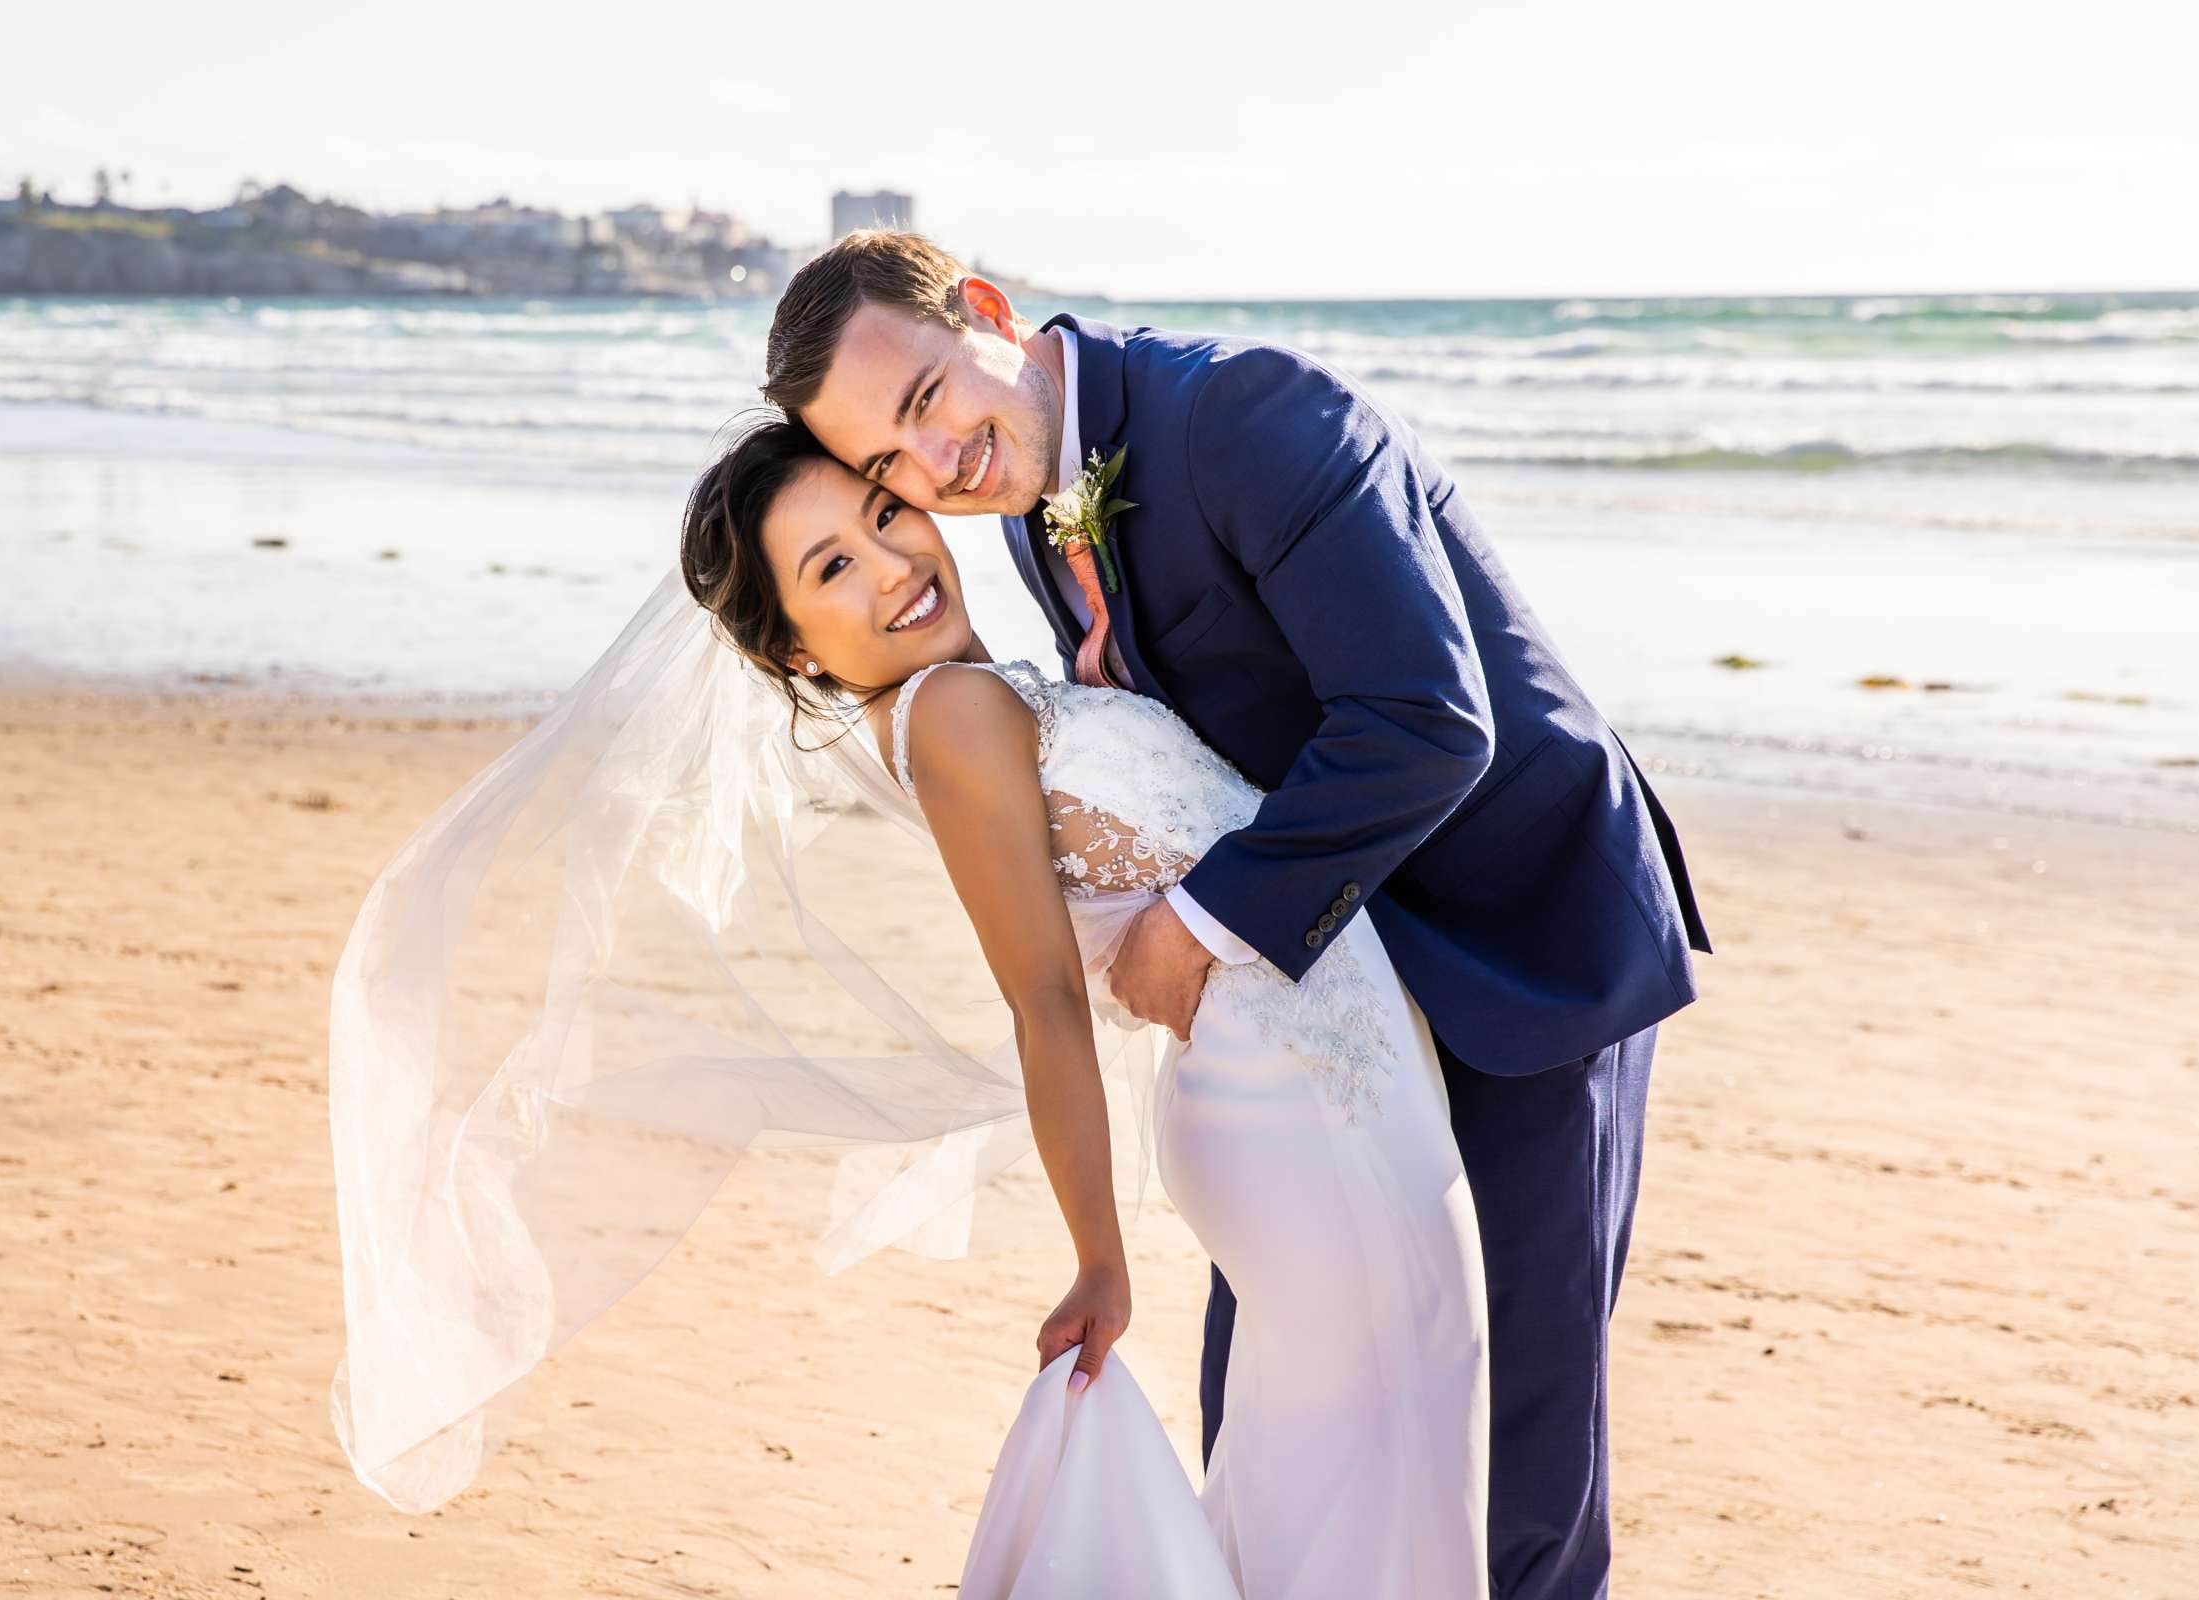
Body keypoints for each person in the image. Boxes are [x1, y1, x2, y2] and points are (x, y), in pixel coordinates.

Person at [762, 232, 1713, 1599]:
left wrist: (1196, 927)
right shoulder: (1039, 492)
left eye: (924, 404)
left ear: (985, 311)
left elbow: (1428, 726)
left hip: (1516, 946)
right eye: (889, 469)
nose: (934, 471)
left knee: (1510, 1458)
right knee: (1278, 1423)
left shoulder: (1250, 414)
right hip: (1332, 995)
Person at [678, 417, 1493, 1595]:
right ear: (797, 653)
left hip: (1334, 1085)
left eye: (884, 515)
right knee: (1368, 1477)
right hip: (1296, 1109)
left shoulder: (973, 699)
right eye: (832, 568)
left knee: (1357, 1463)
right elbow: (1044, 999)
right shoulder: (949, 715)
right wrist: (1098, 1260)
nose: (893, 564)